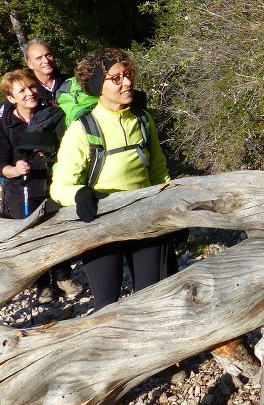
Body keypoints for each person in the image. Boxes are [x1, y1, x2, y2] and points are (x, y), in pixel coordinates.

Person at [50, 48, 174, 311]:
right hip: (101, 222)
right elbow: (60, 185)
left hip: (145, 216)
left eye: (128, 75)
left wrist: (172, 208)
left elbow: (158, 171)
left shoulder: (142, 119)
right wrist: (79, 194)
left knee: (153, 297)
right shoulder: (83, 128)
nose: (127, 82)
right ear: (98, 86)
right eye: (115, 78)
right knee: (107, 304)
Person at [0, 69, 83, 302]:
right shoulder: (4, 125)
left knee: (58, 230)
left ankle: (62, 276)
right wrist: (15, 169)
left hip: (53, 182)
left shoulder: (53, 114)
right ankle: (42, 285)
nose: (30, 93)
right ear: (11, 98)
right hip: (21, 188)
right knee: (33, 236)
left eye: (31, 87)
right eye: (21, 91)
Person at [25, 39, 69, 106]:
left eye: (48, 55)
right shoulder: (27, 91)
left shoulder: (69, 81)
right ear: (30, 64)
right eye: (39, 58)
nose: (46, 61)